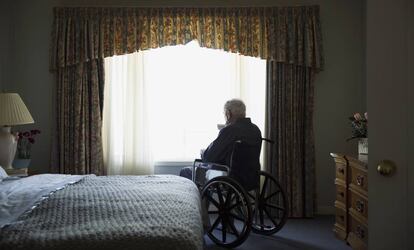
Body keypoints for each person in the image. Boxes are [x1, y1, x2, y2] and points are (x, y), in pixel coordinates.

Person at [179, 99, 262, 189]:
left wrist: (203, 153)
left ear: (228, 113)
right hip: (251, 177)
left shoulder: (230, 130)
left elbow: (209, 157)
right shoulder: (255, 130)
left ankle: (197, 202)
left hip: (229, 177)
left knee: (185, 171)